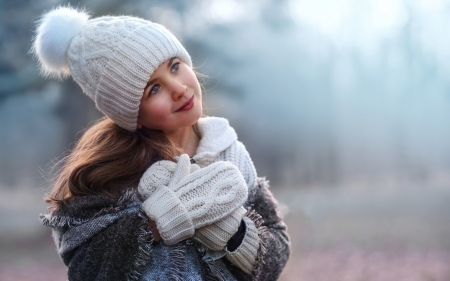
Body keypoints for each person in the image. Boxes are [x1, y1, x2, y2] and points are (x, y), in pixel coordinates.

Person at [33, 6, 290, 281]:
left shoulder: (231, 153)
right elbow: (84, 265)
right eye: (153, 89)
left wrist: (232, 231)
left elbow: (276, 253)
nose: (178, 88)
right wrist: (158, 222)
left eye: (175, 67)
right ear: (132, 115)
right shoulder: (115, 170)